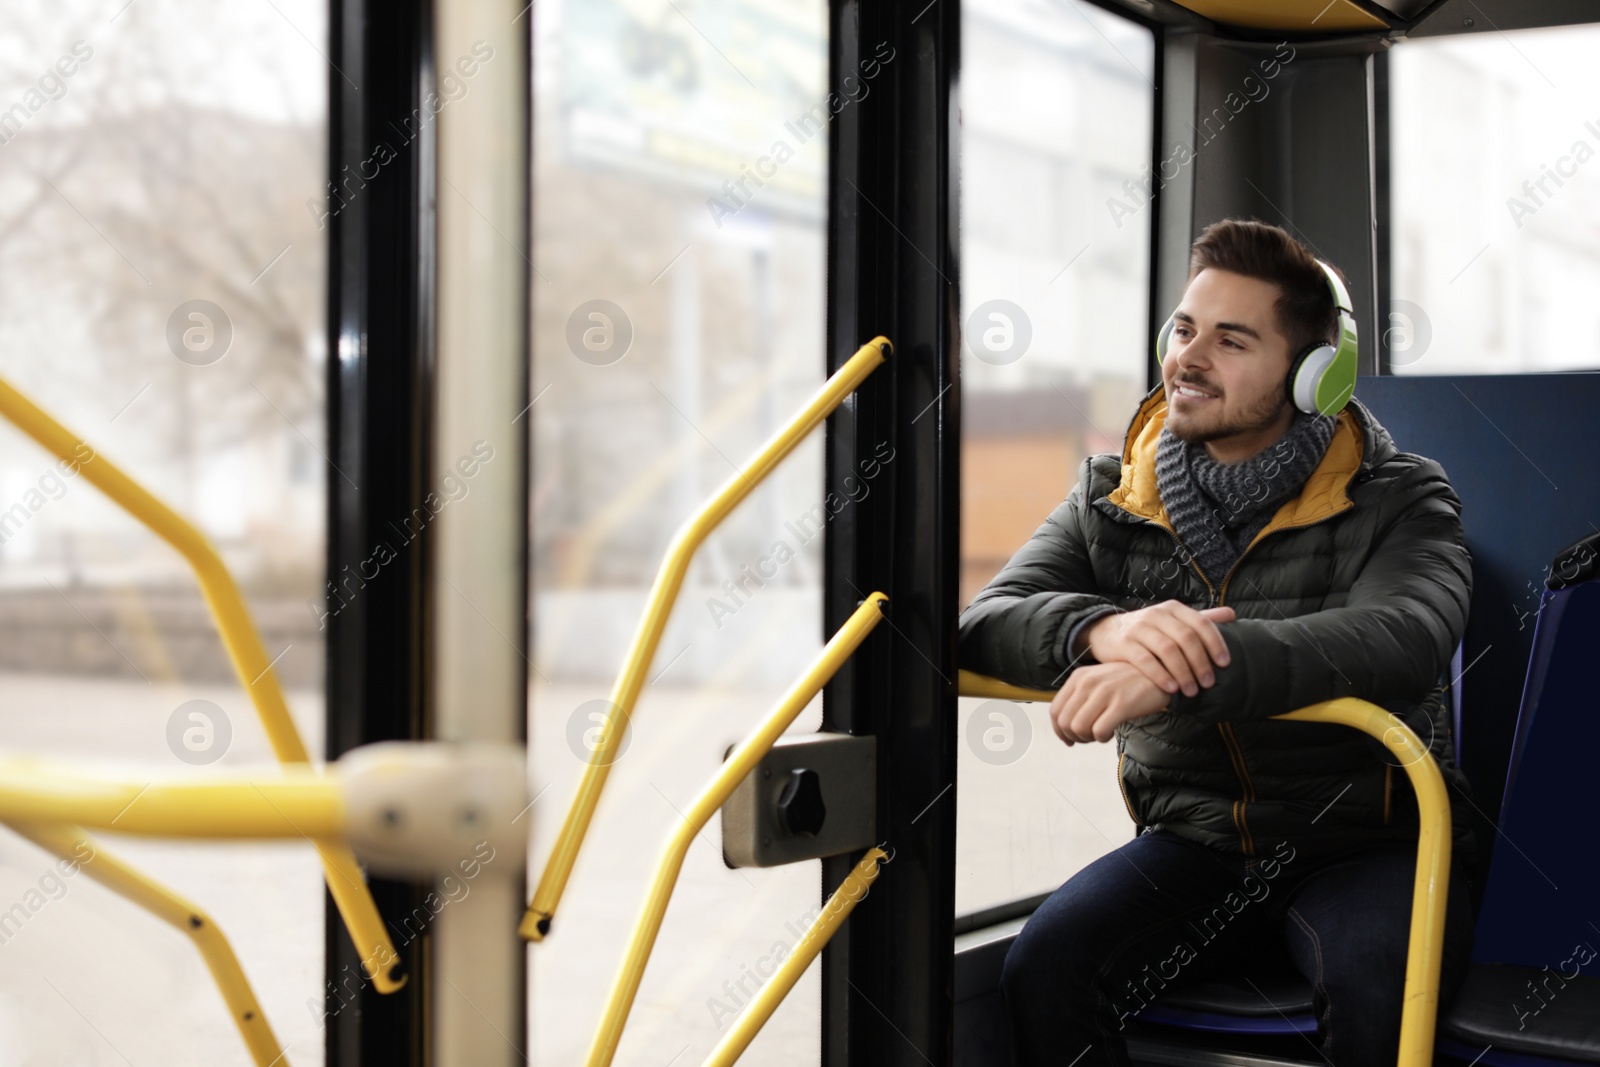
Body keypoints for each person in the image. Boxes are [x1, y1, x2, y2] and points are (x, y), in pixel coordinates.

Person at [957, 219, 1477, 1066]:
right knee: (1043, 968)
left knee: (1375, 987)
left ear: (1314, 376)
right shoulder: (1112, 493)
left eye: (1232, 341)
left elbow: (1401, 636)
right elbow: (982, 623)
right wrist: (1107, 630)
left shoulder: (1401, 496)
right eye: (1185, 330)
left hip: (1365, 842)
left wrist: (1183, 671)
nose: (1188, 360)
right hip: (1194, 843)